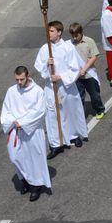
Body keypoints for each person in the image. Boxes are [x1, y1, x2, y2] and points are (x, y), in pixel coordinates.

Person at [34, 21, 88, 159]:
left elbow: (75, 68)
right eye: (48, 31)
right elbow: (39, 68)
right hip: (51, 88)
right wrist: (47, 65)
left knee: (70, 111)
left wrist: (60, 76)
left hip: (66, 86)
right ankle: (56, 144)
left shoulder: (68, 48)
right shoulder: (45, 49)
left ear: (59, 32)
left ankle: (74, 135)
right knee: (52, 115)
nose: (49, 33)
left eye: (51, 31)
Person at [0, 66, 51, 202]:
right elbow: (6, 110)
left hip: (31, 131)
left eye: (21, 79)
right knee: (15, 157)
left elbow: (39, 111)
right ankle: (25, 179)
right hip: (15, 130)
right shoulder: (11, 91)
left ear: (27, 76)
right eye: (16, 79)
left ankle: (35, 186)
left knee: (33, 158)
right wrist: (12, 121)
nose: (19, 82)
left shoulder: (37, 92)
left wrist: (23, 122)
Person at [69, 23, 105, 119]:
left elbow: (94, 56)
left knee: (94, 95)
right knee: (79, 97)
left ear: (81, 33)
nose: (74, 38)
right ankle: (80, 115)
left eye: (76, 35)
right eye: (72, 36)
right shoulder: (70, 44)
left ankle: (100, 110)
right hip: (77, 76)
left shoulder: (89, 41)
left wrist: (84, 69)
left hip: (89, 74)